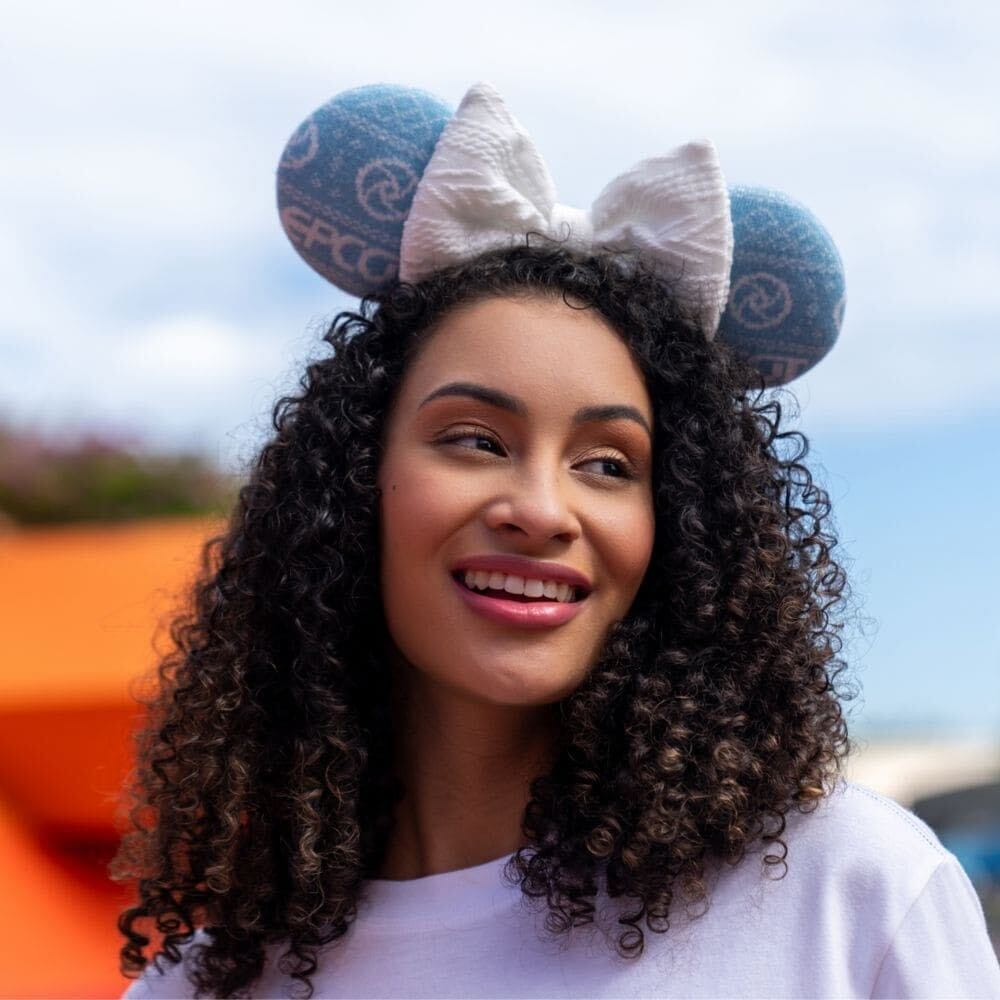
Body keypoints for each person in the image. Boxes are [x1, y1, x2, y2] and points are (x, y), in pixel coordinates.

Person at [113, 85, 1000, 999]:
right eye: (474, 440)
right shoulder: (203, 984)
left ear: (680, 528)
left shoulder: (851, 895)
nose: (541, 510)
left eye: (610, 464)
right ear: (349, 490)